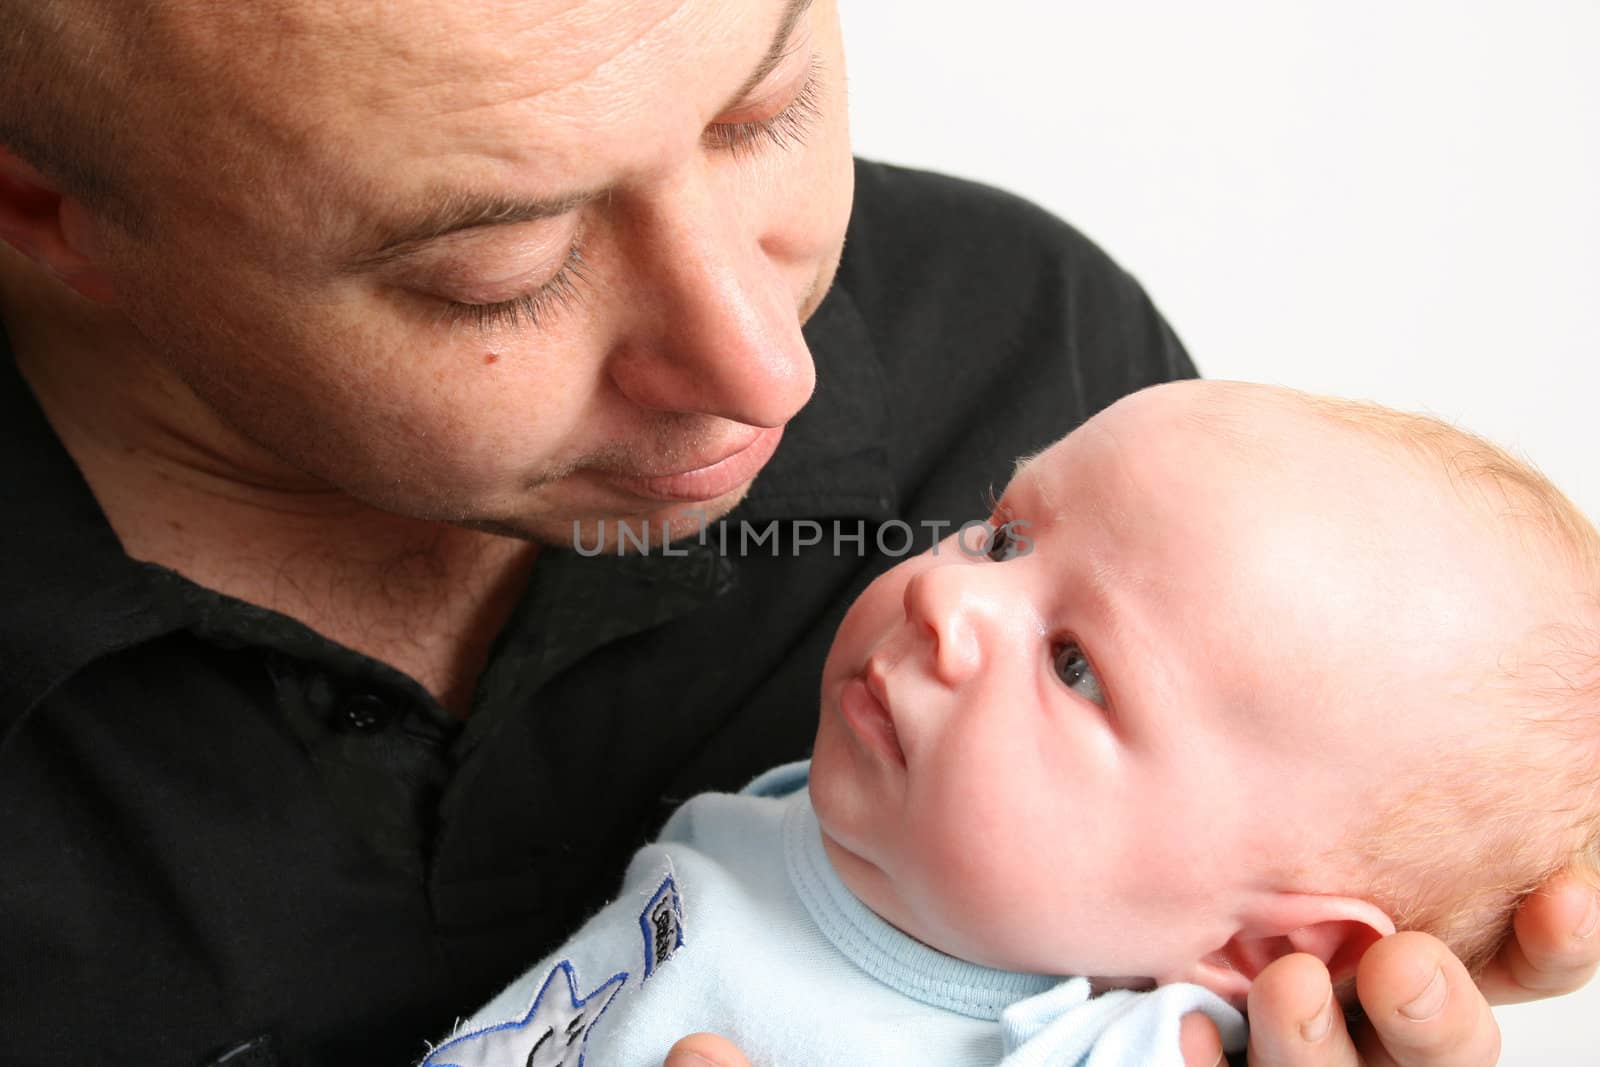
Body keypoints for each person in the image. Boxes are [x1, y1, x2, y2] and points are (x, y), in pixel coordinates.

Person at [0, 2, 1592, 1065]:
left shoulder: (1037, 354)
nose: (770, 366)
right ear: (44, 207)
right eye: (497, 265)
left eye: (761, 110)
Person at [418, 380, 1600, 1066]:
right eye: (1001, 534)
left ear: (1252, 955)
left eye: (1076, 663)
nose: (945, 592)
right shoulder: (805, 819)